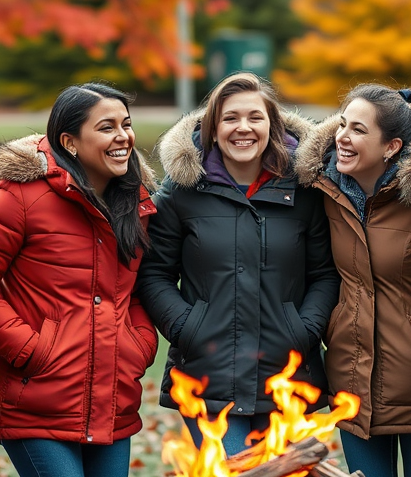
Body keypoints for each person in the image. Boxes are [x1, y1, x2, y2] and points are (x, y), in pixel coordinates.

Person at [0, 82, 158, 477]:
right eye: (107, 127)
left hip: (112, 401)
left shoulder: (136, 204)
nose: (123, 137)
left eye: (126, 124)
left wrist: (137, 344)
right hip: (39, 401)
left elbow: (134, 290)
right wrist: (28, 349)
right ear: (69, 141)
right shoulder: (18, 197)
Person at [137, 71, 340, 456]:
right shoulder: (182, 191)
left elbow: (325, 273)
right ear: (213, 127)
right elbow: (154, 273)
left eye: (254, 117)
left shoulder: (305, 190)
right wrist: (187, 326)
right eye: (230, 118)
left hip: (289, 375)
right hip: (206, 377)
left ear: (272, 127)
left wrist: (304, 328)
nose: (242, 128)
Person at [295, 84, 411, 477]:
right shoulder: (326, 193)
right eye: (342, 125)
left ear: (391, 147)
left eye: (358, 130)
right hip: (352, 386)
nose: (343, 137)